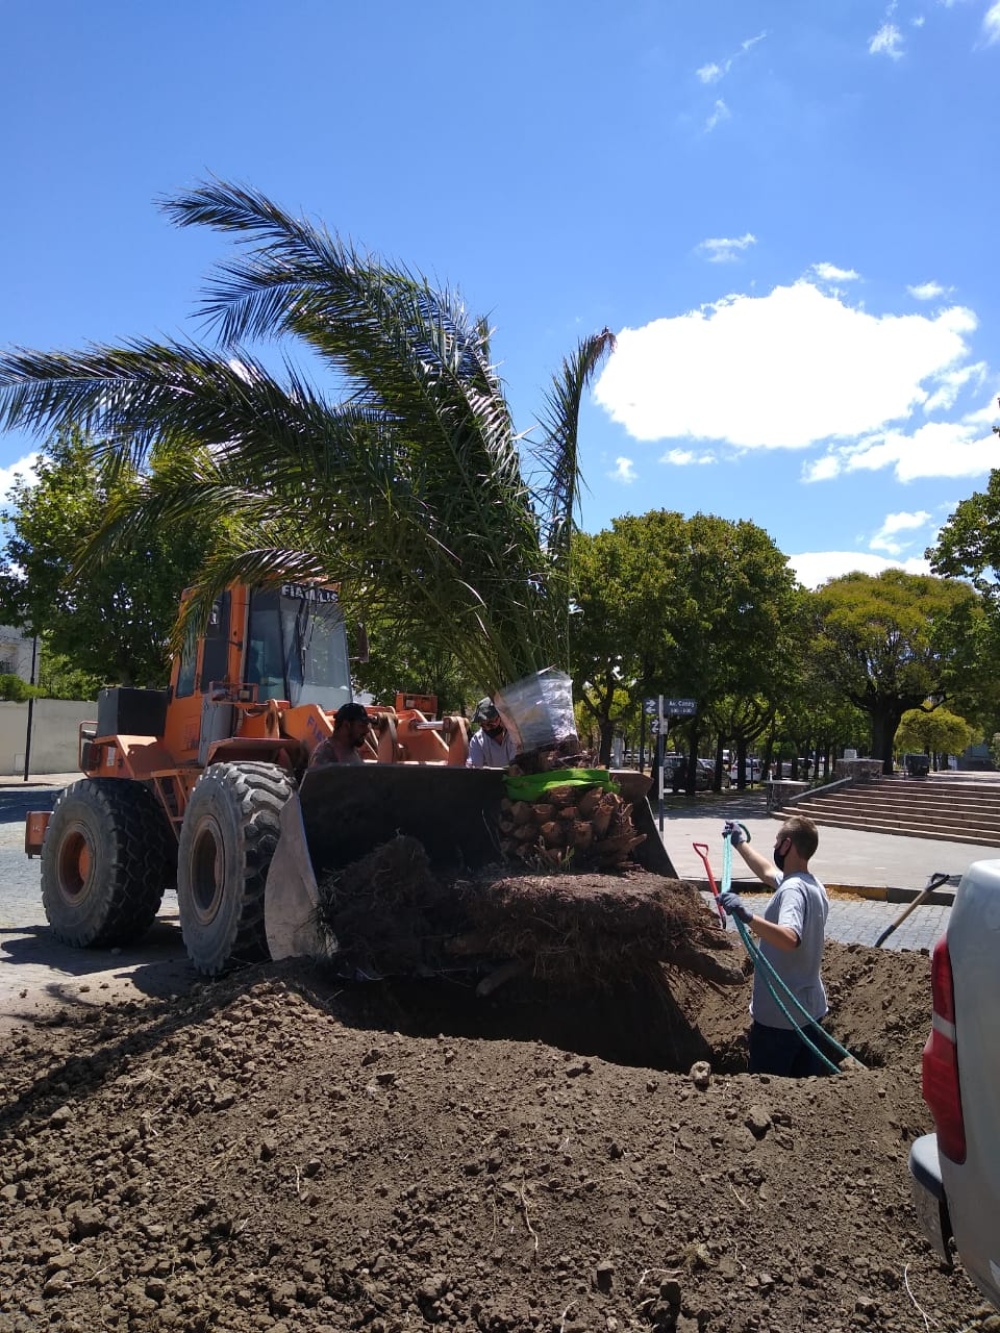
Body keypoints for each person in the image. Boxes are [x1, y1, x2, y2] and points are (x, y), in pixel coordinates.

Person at [719, 815, 832, 1077]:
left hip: (780, 1021)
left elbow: (790, 938)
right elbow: (768, 872)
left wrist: (747, 916)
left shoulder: (792, 890)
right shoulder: (812, 885)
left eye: (777, 841)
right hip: (810, 1013)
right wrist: (739, 843)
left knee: (767, 1095)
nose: (775, 846)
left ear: (787, 845)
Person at [309, 702, 372, 767]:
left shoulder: (353, 750)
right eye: (361, 726)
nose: (367, 730)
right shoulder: (325, 754)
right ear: (346, 725)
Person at [466, 697, 517, 768]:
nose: (487, 728)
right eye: (482, 725)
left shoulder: (516, 735)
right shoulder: (477, 740)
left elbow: (517, 766)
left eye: (491, 723)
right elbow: (475, 767)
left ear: (501, 717)